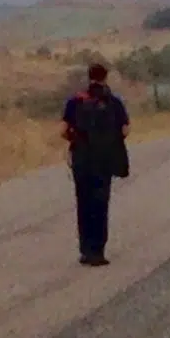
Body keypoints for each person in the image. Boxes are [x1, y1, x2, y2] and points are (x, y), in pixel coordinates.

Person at [61, 62, 130, 266]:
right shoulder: (114, 102)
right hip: (104, 160)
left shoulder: (75, 101)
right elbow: (125, 130)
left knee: (84, 203)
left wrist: (77, 141)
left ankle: (85, 250)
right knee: (100, 203)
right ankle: (98, 250)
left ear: (89, 76)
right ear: (105, 77)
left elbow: (63, 130)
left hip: (82, 159)